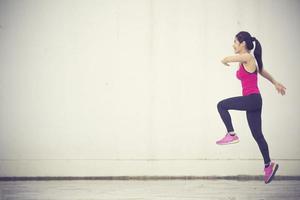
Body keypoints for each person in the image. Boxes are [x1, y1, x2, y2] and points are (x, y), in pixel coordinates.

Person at [216, 31, 286, 184]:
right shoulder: (249, 60)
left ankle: (231, 134)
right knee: (257, 135)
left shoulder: (247, 57)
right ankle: (269, 165)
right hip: (254, 101)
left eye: (235, 41)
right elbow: (262, 71)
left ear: (243, 44)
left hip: (251, 99)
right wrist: (275, 82)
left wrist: (225, 60)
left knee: (221, 105)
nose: (233, 44)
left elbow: (228, 58)